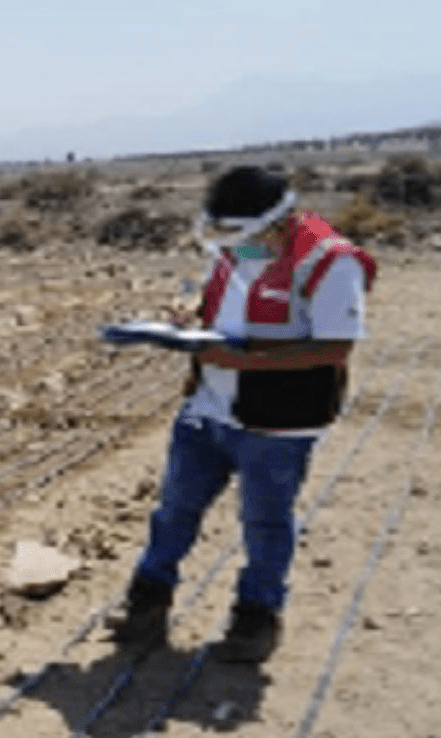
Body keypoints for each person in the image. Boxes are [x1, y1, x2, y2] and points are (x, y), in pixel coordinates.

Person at [108, 165, 376, 664]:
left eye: (240, 233)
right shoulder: (245, 246)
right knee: (173, 512)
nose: (232, 244)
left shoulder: (330, 261)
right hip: (208, 407)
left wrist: (246, 361)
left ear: (279, 220)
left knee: (265, 523)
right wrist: (190, 313)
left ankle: (256, 618)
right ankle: (146, 606)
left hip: (278, 421)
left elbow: (335, 347)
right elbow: (222, 290)